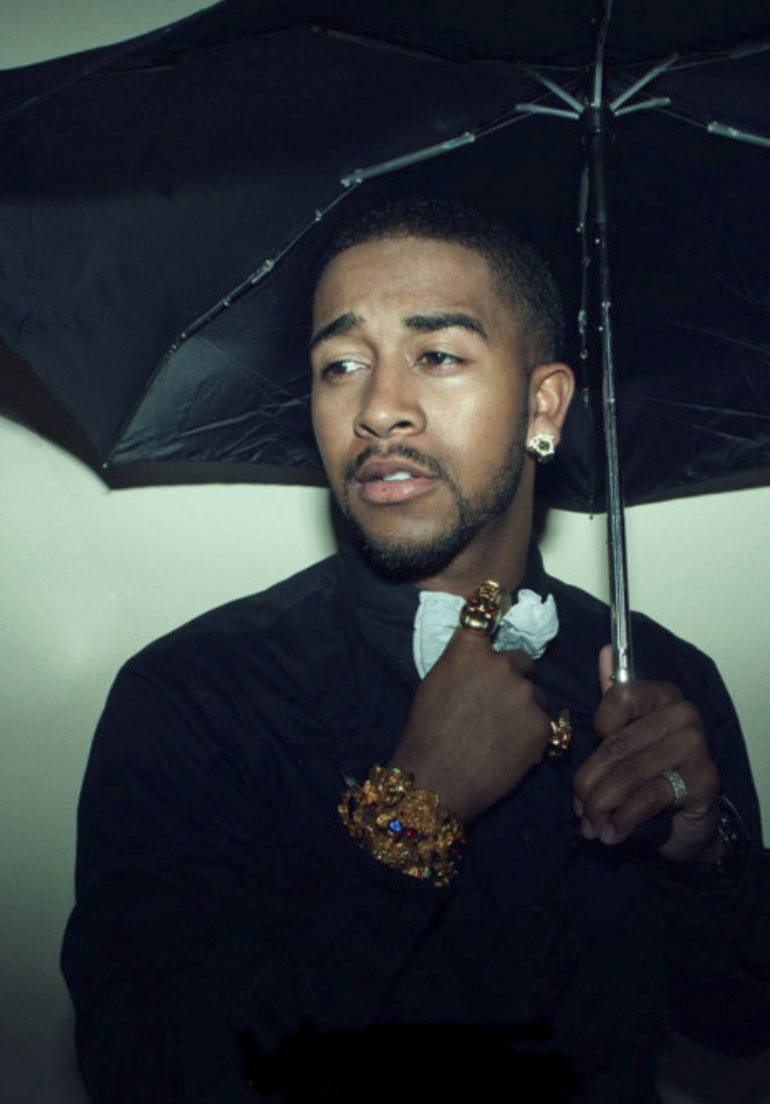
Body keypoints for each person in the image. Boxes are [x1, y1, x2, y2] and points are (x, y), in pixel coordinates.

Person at [62, 199, 770, 1103]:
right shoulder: (192, 696)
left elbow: (742, 1020)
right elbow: (143, 1074)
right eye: (341, 366)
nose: (378, 410)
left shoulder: (661, 678)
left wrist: (703, 851)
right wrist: (412, 815)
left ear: (544, 405)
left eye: (436, 356)